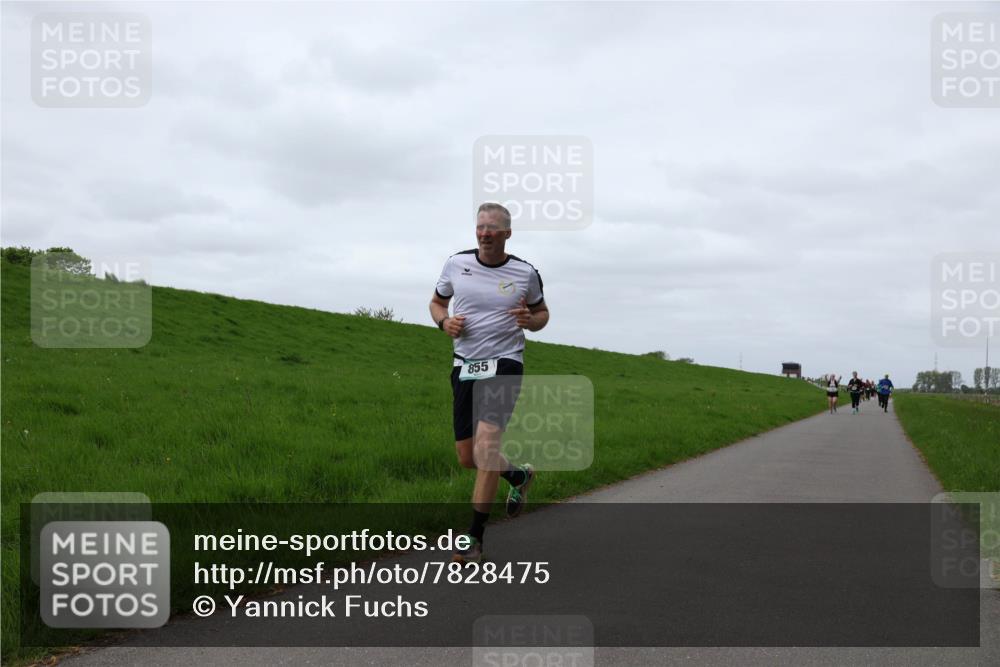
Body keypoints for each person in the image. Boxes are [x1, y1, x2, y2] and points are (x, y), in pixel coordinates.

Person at [429, 203, 549, 564]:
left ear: (507, 233)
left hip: (505, 363)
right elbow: (437, 303)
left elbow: (542, 314)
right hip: (465, 365)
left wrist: (532, 320)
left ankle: (474, 539)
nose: (484, 233)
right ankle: (518, 474)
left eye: (493, 228)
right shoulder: (456, 264)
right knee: (468, 457)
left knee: (486, 447)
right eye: (480, 227)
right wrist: (443, 322)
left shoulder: (526, 272)